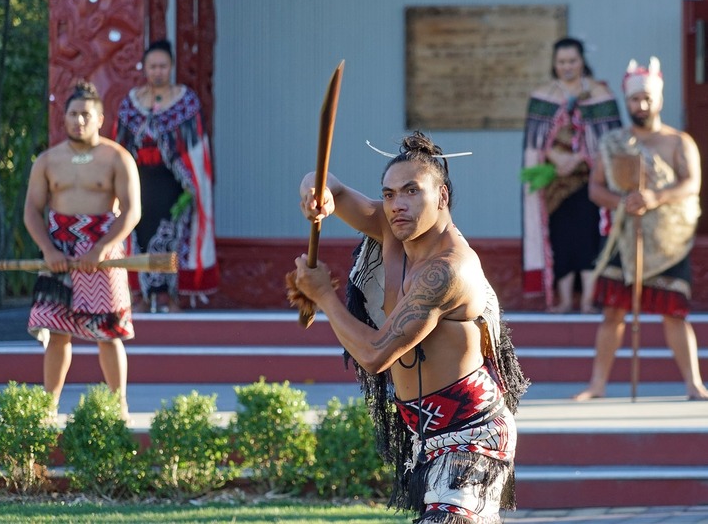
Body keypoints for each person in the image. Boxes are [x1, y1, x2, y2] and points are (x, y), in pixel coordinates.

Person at [290, 132, 529, 522]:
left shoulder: (447, 270)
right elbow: (325, 181)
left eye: (411, 191)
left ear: (442, 197)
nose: (397, 205)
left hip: (473, 435)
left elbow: (373, 355)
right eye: (388, 194)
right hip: (426, 434)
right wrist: (317, 193)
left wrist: (324, 297)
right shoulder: (393, 229)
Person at [574, 57, 708, 401]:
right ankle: (597, 385)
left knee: (674, 314)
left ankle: (694, 385)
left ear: (659, 100)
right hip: (624, 235)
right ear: (627, 100)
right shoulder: (614, 142)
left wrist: (654, 197)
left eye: (647, 98)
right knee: (613, 312)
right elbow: (596, 189)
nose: (642, 104)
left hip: (667, 240)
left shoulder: (679, 142)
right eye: (635, 99)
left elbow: (691, 184)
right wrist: (625, 202)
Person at [24, 81, 141, 420]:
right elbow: (32, 210)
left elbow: (132, 211)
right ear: (65, 118)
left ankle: (119, 407)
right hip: (58, 250)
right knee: (57, 332)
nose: (79, 121)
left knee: (109, 333)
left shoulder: (117, 157)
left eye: (85, 115)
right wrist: (47, 249)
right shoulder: (48, 160)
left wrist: (101, 249)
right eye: (73, 114)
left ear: (100, 118)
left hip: (103, 253)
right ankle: (48, 408)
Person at [113, 38, 218, 313]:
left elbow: (197, 150)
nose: (157, 71)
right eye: (152, 66)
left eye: (162, 66)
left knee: (172, 236)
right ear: (145, 68)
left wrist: (191, 186)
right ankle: (141, 294)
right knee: (140, 235)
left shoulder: (186, 102)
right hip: (140, 183)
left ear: (170, 67)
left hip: (174, 184)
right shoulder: (131, 104)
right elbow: (119, 147)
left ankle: (169, 294)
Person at [522, 37, 622, 313]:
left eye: (572, 61)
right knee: (561, 238)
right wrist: (555, 157)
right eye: (561, 62)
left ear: (582, 62)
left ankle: (589, 300)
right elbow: (534, 142)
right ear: (554, 64)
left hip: (590, 180)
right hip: (553, 182)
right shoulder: (543, 95)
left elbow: (610, 140)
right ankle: (565, 300)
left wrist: (579, 157)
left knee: (589, 237)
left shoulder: (600, 94)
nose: (567, 66)